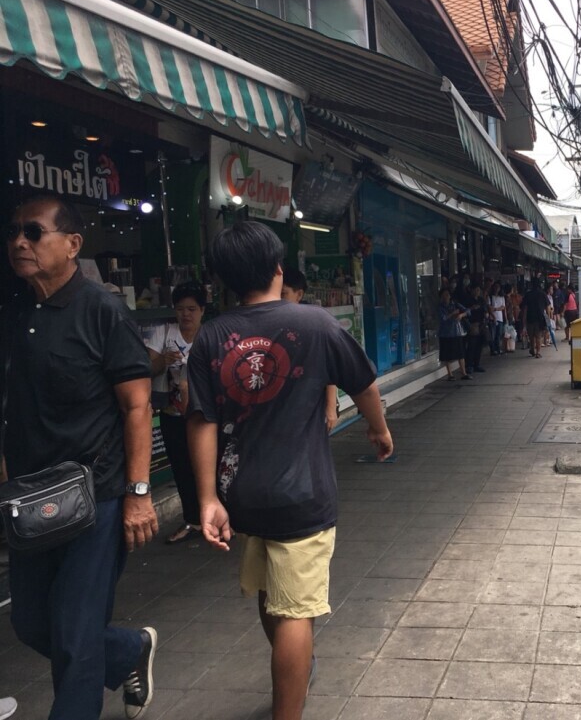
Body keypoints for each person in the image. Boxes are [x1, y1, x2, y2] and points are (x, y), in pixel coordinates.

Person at [185, 221, 393, 720]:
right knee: (297, 611)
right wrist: (378, 428)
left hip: (244, 495)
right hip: (303, 492)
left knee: (268, 590)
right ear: (278, 270)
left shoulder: (212, 335)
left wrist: (208, 498)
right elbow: (363, 383)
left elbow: (201, 420)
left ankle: (292, 666)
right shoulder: (314, 323)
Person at [1, 197, 157, 720]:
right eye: (15, 233)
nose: (20, 242)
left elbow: (137, 405)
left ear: (72, 244)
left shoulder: (101, 309)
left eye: (34, 232)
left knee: (74, 635)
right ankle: (130, 650)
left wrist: (138, 494)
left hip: (96, 498)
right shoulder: (16, 309)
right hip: (29, 498)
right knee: (33, 625)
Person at [145, 281, 207, 544]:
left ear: (202, 310)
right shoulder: (163, 333)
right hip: (172, 415)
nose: (186, 314)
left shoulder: (209, 335)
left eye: (192, 309)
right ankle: (192, 520)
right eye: (181, 309)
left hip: (204, 416)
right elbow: (146, 369)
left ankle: (214, 517)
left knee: (208, 467)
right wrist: (162, 361)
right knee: (182, 469)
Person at [281, 268, 339, 433]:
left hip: (311, 405)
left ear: (299, 295)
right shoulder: (270, 323)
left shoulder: (314, 323)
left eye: (283, 294)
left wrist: (330, 406)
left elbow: (329, 366)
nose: (278, 300)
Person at [437, 288, 471, 380]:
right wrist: (452, 313)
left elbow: (468, 311)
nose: (446, 296)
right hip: (445, 333)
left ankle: (464, 373)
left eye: (448, 294)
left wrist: (461, 315)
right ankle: (450, 374)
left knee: (461, 353)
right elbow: (443, 318)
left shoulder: (455, 304)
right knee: (447, 354)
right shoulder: (440, 307)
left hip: (457, 331)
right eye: (444, 294)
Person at [521, 279, 549, 358]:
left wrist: (524, 319)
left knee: (531, 336)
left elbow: (525, 308)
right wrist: (548, 318)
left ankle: (532, 349)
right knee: (538, 336)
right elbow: (547, 307)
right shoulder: (543, 294)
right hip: (540, 318)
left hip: (530, 317)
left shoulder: (528, 294)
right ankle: (538, 352)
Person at [464, 284, 489, 374]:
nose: (477, 292)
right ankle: (469, 365)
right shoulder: (468, 300)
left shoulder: (481, 300)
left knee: (479, 346)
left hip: (481, 324)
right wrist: (472, 308)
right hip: (472, 324)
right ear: (472, 290)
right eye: (476, 290)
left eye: (479, 290)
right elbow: (464, 311)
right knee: (471, 346)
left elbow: (485, 309)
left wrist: (486, 313)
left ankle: (476, 364)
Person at [489, 283, 507, 355]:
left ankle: (498, 348)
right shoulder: (490, 297)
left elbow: (503, 307)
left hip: (500, 318)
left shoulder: (502, 297)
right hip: (492, 318)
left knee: (498, 334)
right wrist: (494, 313)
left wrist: (496, 309)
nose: (497, 289)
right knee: (492, 335)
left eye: (498, 287)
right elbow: (489, 307)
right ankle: (493, 350)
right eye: (495, 287)